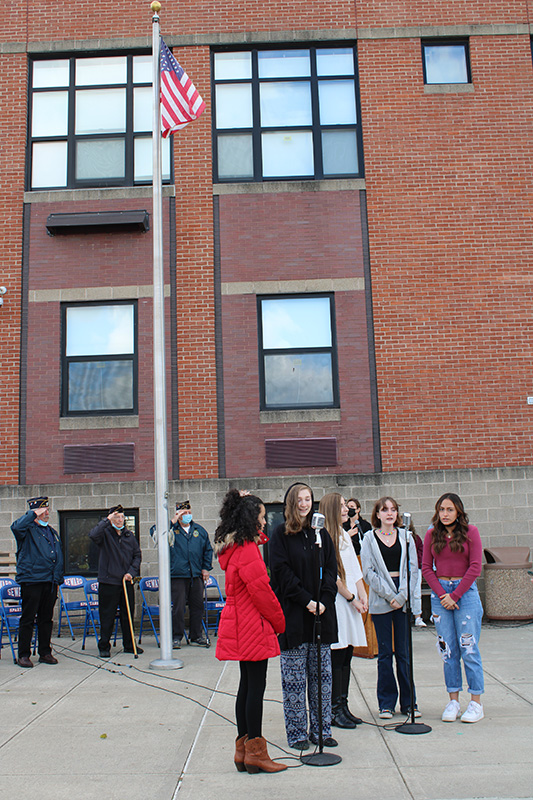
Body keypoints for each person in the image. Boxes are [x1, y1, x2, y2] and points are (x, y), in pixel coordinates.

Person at [214, 489, 287, 774]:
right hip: (251, 623)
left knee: (246, 686)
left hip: (239, 622)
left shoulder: (234, 548)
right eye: (261, 517)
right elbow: (263, 594)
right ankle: (256, 752)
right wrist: (280, 623)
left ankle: (243, 751)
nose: (265, 522)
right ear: (250, 519)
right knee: (255, 687)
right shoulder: (248, 551)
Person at [269, 483, 338, 750]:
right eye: (299, 499)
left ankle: (321, 730)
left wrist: (325, 600)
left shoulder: (321, 534)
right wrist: (307, 600)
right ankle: (297, 733)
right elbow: (281, 574)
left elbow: (331, 569)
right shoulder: (280, 535)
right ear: (290, 503)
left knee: (321, 679)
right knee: (295, 680)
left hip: (321, 617)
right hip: (296, 616)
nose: (304, 503)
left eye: (308, 499)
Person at [422, 493, 485, 723]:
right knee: (448, 650)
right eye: (441, 510)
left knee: (468, 647)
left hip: (465, 594)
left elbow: (475, 567)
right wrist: (442, 594)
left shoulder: (471, 533)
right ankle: (453, 700)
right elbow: (427, 568)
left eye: (449, 510)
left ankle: (476, 703)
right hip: (441, 594)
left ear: (458, 511)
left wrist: (455, 595)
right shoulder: (431, 534)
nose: (445, 514)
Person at [361, 496, 421, 719]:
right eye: (384, 510)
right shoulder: (368, 538)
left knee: (404, 653)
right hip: (381, 599)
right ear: (377, 514)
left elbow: (413, 569)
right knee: (385, 653)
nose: (389, 513)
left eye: (393, 510)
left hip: (402, 597)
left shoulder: (406, 537)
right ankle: (386, 703)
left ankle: (409, 703)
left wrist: (403, 596)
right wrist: (390, 596)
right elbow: (368, 572)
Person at [319, 493, 367, 729]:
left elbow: (354, 568)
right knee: (337, 655)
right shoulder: (326, 536)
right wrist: (350, 598)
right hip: (339, 602)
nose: (346, 509)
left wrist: (362, 593)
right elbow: (333, 574)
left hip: (352, 601)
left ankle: (343, 705)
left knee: (348, 653)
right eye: (340, 506)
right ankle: (333, 708)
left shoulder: (344, 534)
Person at [11, 496, 64, 667]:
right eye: (44, 511)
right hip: (32, 580)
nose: (47, 513)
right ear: (36, 513)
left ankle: (45, 652)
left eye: (47, 510)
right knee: (28, 618)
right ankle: (24, 654)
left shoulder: (51, 531)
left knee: (46, 618)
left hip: (49, 581)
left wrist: (57, 578)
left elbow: (58, 555)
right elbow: (16, 527)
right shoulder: (27, 530)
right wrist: (31, 513)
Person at [89, 504, 142, 658]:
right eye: (116, 517)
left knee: (128, 614)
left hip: (126, 581)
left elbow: (137, 555)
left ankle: (129, 644)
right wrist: (107, 520)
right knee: (107, 615)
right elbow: (93, 535)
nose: (120, 520)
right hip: (108, 582)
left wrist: (131, 572)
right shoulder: (104, 533)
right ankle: (104, 645)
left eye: (121, 517)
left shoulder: (128, 535)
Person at [169, 501, 213, 648]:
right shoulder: (171, 529)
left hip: (196, 574)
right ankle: (176, 636)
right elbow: (156, 533)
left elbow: (208, 550)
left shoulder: (199, 530)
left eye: (188, 512)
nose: (187, 515)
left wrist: (206, 568)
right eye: (183, 513)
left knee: (197, 606)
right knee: (178, 607)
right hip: (178, 575)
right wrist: (172, 521)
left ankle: (196, 635)